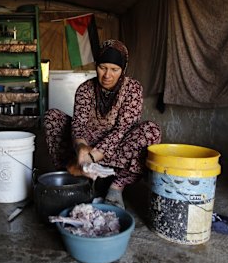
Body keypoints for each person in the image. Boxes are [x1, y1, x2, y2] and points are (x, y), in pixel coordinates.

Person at [44, 39, 161, 209]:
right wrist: (81, 148)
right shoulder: (85, 89)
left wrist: (91, 157)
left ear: (123, 69)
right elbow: (79, 124)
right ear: (96, 66)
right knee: (52, 117)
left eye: (114, 69)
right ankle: (78, 179)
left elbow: (123, 130)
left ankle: (115, 188)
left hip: (116, 148)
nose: (107, 75)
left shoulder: (132, 89)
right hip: (88, 147)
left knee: (151, 131)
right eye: (102, 67)